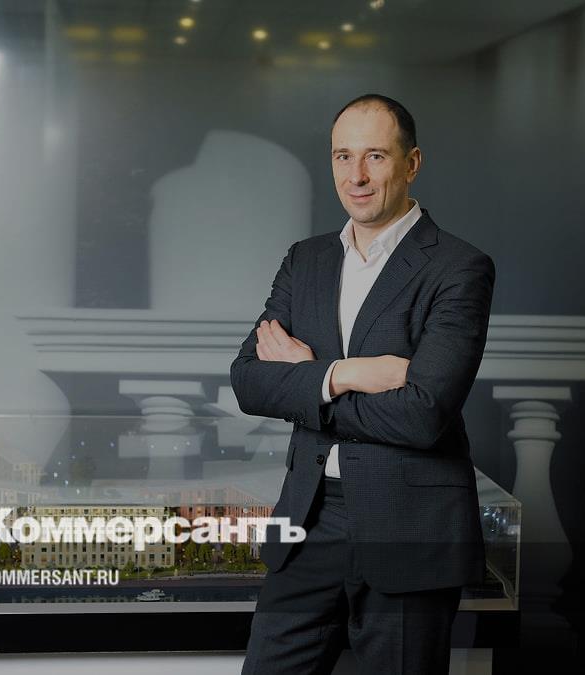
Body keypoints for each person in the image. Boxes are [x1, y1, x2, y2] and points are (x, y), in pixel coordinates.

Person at [230, 94, 497, 674]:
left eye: (375, 156)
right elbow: (248, 381)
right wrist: (344, 374)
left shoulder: (458, 267)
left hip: (409, 528)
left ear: (412, 163)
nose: (356, 176)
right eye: (342, 156)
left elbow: (422, 413)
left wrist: (306, 381)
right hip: (308, 520)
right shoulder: (305, 260)